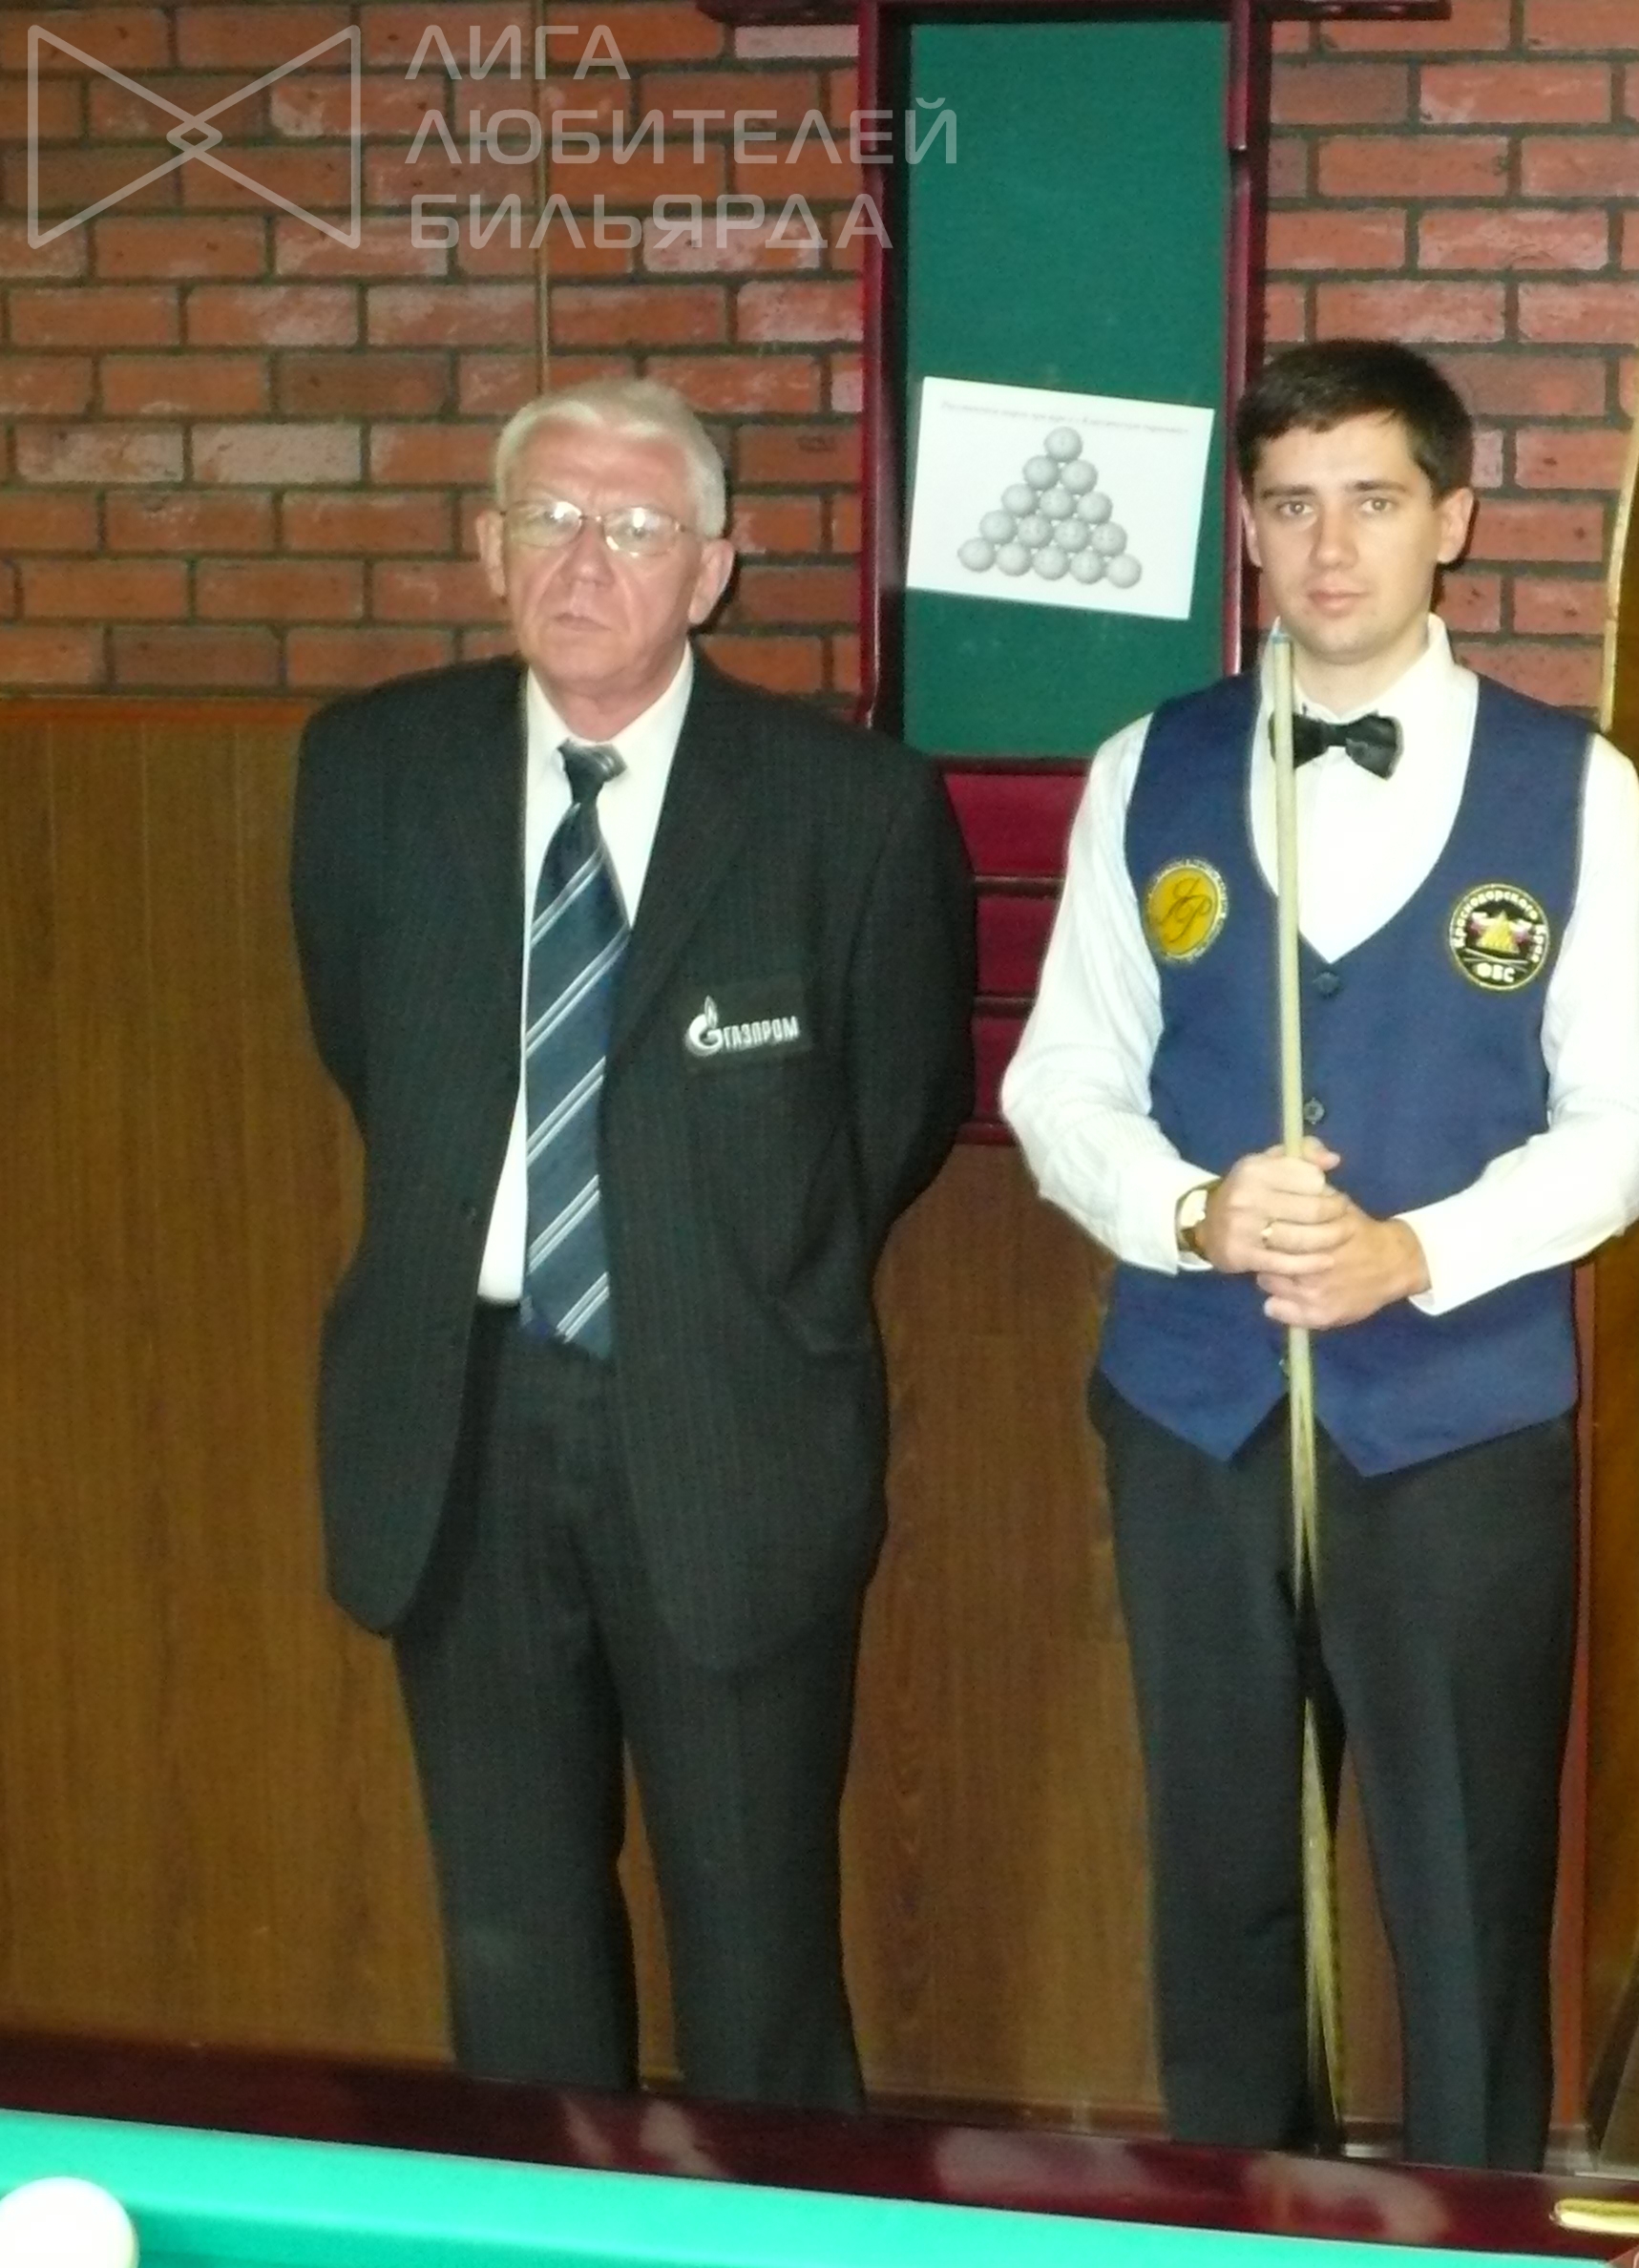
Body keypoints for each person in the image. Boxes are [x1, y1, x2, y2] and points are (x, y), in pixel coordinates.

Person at [1003, 340, 1639, 2170]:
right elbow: (1060, 1076)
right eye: (1291, 505)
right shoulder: (1149, 767)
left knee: (1465, 1895)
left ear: (1452, 520)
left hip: (1458, 1426)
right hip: (1197, 1412)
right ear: (1245, 527)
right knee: (1226, 1879)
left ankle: (1473, 2228)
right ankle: (1243, 2212)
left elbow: (1630, 1117)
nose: (1329, 548)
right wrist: (1190, 1212)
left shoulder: (1573, 785)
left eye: (1373, 501)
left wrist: (1419, 1252)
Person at [288, 375, 977, 2110]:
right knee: (510, 1949)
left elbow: (892, 1115)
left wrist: (707, 1262)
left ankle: (777, 2229)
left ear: (714, 569)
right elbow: (368, 1047)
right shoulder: (372, 770)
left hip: (730, 1424)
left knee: (758, 1953)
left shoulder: (850, 808)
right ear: (487, 546)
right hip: (459, 1423)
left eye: (635, 527)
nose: (582, 560)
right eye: (547, 518)